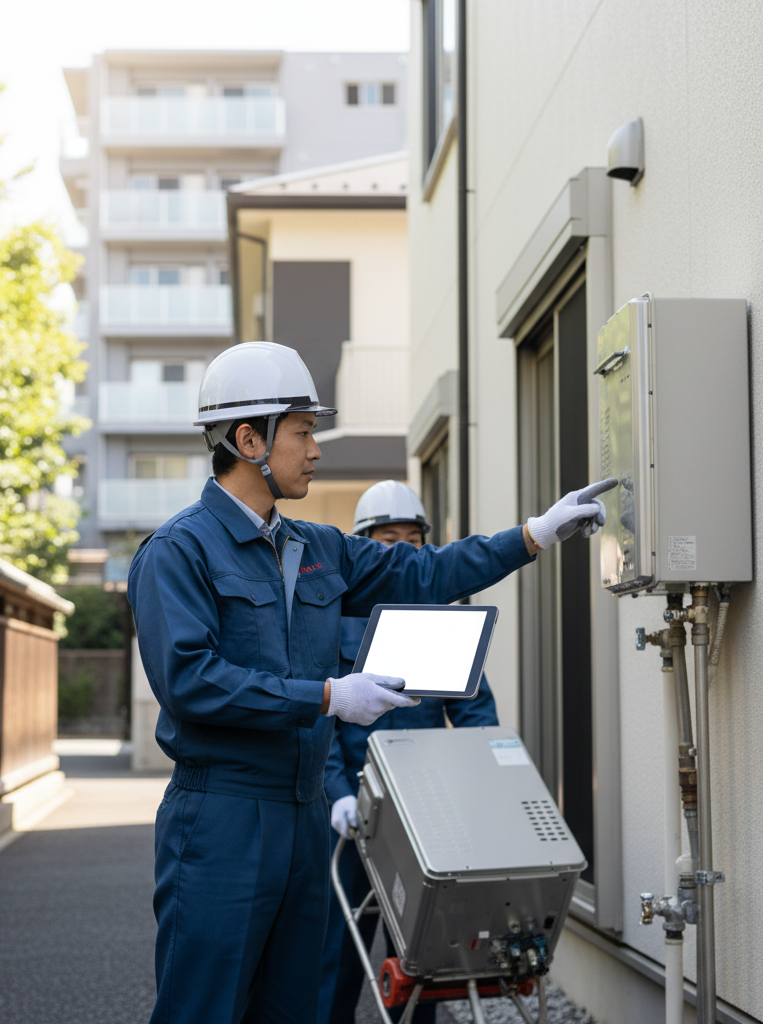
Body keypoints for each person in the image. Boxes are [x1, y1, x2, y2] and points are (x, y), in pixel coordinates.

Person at [127, 341, 615, 1024]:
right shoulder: (178, 552)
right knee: (205, 1009)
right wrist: (328, 697)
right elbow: (192, 682)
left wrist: (532, 534)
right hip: (222, 819)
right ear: (248, 439)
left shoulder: (317, 546)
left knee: (294, 1007)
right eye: (302, 432)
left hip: (302, 819)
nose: (315, 450)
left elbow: (427, 573)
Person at [318, 481, 498, 1024]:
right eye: (386, 539)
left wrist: (488, 783)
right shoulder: (332, 621)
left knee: (417, 957)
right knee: (337, 955)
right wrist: (337, 794)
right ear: (365, 547)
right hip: (353, 816)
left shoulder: (436, 624)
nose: (400, 550)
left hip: (424, 819)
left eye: (411, 539)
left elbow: (474, 713)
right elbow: (318, 720)